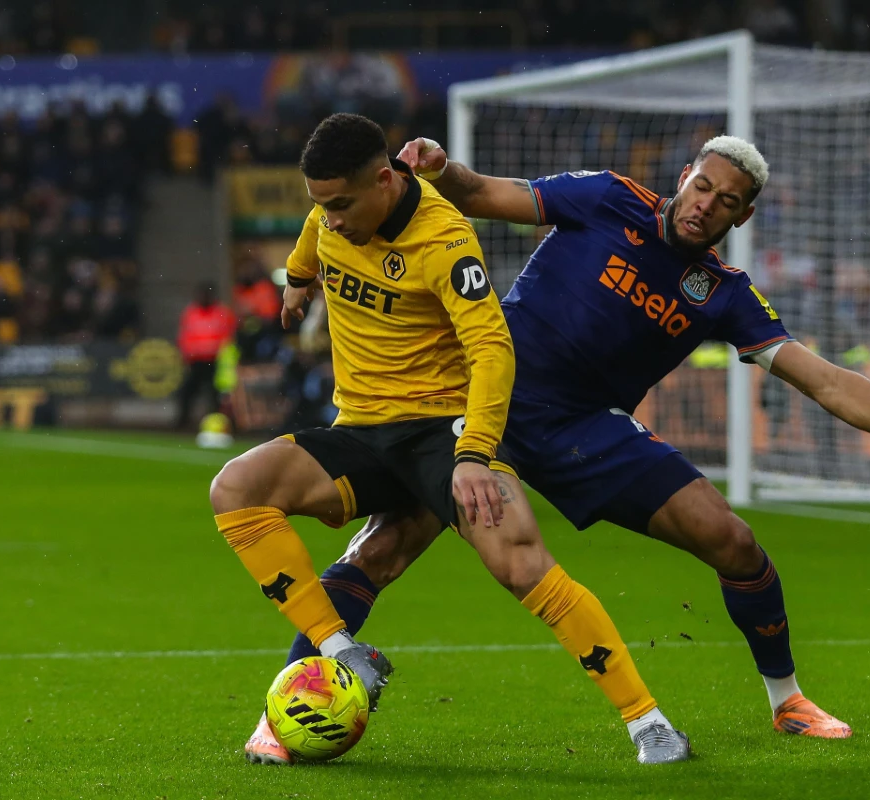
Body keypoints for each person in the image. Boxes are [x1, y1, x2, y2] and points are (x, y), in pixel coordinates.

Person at [257, 133, 870, 751]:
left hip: (585, 428)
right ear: (684, 177)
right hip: (479, 404)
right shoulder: (605, 197)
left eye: (727, 202)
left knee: (733, 540)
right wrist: (441, 166)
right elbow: (481, 193)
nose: (707, 205)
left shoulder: (723, 293)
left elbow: (826, 381)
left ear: (742, 217)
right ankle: (283, 711)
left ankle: (787, 700)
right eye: (703, 187)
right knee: (384, 548)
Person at [213, 114, 686, 767]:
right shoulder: (332, 217)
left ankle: (648, 723)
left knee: (518, 561)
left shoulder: (445, 240)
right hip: (362, 429)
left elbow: (492, 349)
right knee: (235, 487)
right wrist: (297, 279)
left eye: (342, 204)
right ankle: (340, 653)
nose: (331, 219)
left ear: (385, 181)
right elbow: (315, 233)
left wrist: (473, 455)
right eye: (321, 204)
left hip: (443, 430)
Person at [175, 282, 236, 429]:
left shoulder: (222, 313)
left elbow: (228, 336)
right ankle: (182, 422)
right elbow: (184, 336)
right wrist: (186, 355)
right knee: (187, 392)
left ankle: (219, 422)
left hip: (216, 361)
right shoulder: (191, 313)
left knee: (215, 395)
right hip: (195, 361)